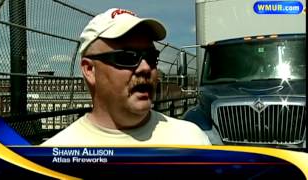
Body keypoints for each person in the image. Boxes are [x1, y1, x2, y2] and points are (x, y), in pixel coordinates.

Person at [41, 8, 211, 145]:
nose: (145, 68)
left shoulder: (191, 140)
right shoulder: (54, 157)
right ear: (90, 70)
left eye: (151, 57)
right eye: (127, 57)